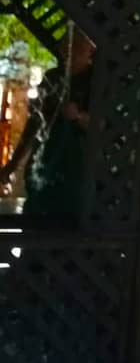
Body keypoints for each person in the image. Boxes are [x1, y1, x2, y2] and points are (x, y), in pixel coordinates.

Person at [26, 29, 93, 221]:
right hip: (46, 159)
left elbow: (106, 126)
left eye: (78, 46)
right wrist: (13, 165)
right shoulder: (52, 77)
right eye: (67, 45)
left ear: (89, 50)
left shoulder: (97, 79)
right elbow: (34, 123)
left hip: (76, 167)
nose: (70, 50)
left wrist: (78, 116)